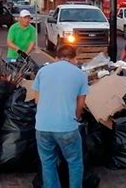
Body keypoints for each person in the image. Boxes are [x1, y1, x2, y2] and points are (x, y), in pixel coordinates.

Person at [33, 45, 88, 188]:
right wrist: (76, 118)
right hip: (67, 127)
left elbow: (37, 100)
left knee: (48, 162)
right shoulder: (80, 74)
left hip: (42, 126)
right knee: (74, 161)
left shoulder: (43, 71)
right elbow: (80, 105)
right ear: (74, 58)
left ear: (56, 57)